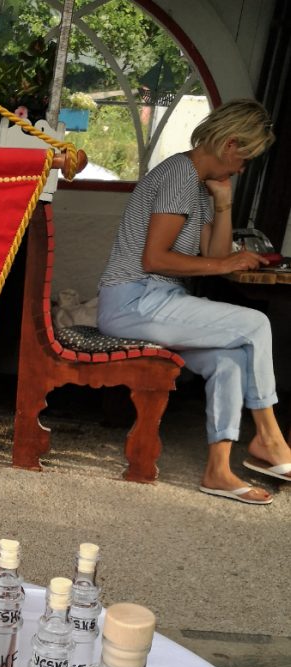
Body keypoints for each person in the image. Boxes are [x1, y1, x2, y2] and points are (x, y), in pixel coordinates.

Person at [97, 98, 291, 504]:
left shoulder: (199, 185)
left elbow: (213, 256)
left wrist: (223, 201)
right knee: (256, 324)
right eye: (245, 159)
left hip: (159, 301)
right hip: (134, 298)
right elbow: (154, 259)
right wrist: (225, 261)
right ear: (230, 144)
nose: (242, 169)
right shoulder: (178, 176)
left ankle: (218, 471)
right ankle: (270, 438)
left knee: (231, 358)